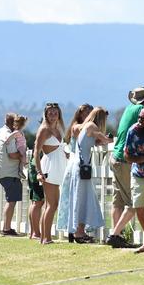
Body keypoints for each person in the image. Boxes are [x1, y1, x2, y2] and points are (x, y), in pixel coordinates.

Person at [107, 104, 144, 252]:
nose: (139, 120)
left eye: (143, 118)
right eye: (139, 117)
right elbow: (127, 156)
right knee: (138, 207)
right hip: (139, 174)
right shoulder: (133, 130)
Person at [60, 107, 113, 244]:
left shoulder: (86, 127)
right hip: (82, 168)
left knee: (81, 198)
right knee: (82, 199)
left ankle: (79, 231)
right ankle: (79, 233)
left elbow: (94, 141)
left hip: (80, 166)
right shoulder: (91, 126)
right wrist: (108, 139)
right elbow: (103, 139)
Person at [110, 87, 144, 229]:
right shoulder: (142, 110)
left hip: (115, 155)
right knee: (133, 202)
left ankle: (117, 235)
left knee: (117, 201)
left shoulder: (129, 108)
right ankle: (116, 233)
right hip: (125, 160)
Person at [56, 103, 93, 242]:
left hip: (76, 164)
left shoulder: (85, 127)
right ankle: (77, 232)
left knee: (77, 198)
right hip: (76, 165)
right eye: (85, 113)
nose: (88, 115)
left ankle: (76, 231)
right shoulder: (77, 126)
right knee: (77, 198)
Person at [34, 103, 67, 244]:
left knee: (53, 204)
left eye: (55, 112)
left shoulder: (59, 128)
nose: (53, 115)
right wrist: (39, 172)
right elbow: (36, 151)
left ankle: (45, 236)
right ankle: (46, 237)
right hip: (49, 168)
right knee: (51, 204)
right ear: (46, 114)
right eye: (50, 113)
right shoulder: (44, 130)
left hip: (60, 166)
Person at [0, 113, 23, 236]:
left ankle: (6, 227)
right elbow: (12, 154)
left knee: (10, 199)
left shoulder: (0, 132)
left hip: (3, 171)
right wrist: (22, 155)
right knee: (11, 201)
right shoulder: (10, 136)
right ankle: (6, 228)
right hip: (10, 171)